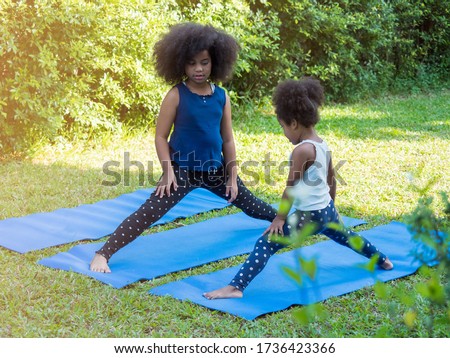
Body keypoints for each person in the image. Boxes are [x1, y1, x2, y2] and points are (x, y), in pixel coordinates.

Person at [90, 23, 277, 273]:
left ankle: (282, 220)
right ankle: (103, 253)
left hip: (215, 169)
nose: (198, 69)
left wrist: (232, 176)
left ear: (215, 62)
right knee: (149, 212)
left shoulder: (221, 96)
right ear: (181, 64)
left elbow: (228, 140)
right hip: (181, 171)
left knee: (251, 204)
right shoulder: (176, 95)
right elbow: (160, 136)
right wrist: (168, 172)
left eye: (204, 62)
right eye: (191, 63)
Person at [203, 78, 393, 299]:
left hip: (309, 216)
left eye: (283, 127)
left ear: (294, 123)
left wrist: (280, 219)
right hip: (325, 211)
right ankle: (383, 260)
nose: (284, 132)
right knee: (348, 236)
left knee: (265, 243)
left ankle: (236, 287)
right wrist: (332, 207)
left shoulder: (302, 150)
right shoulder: (322, 144)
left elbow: (290, 187)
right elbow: (332, 179)